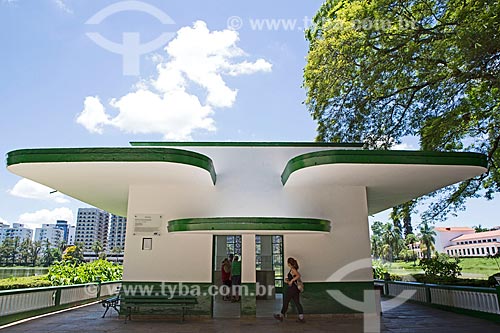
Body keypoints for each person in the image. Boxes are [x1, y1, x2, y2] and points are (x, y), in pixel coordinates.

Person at [274, 257, 305, 323]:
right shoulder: (293, 269)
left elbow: (298, 275)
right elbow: (295, 277)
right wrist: (288, 280)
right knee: (297, 303)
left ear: (289, 263)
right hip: (295, 289)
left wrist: (291, 281)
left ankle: (281, 316)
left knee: (286, 302)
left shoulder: (293, 269)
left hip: (292, 289)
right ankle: (301, 317)